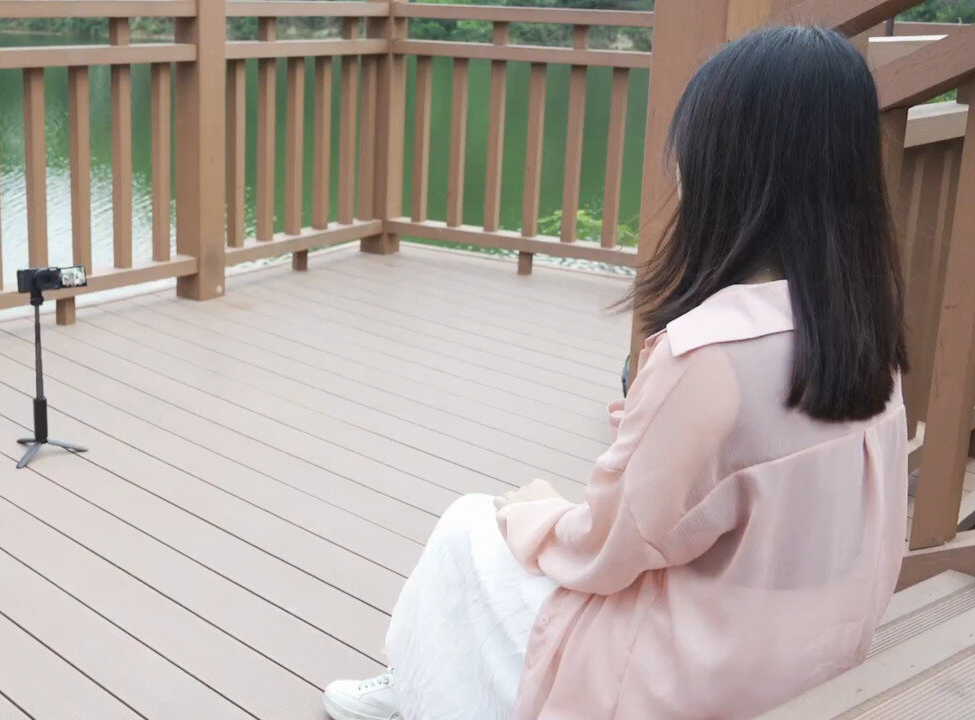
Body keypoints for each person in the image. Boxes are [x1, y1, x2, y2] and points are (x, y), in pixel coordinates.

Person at [323, 24, 910, 720]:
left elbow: (607, 550)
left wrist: (538, 511)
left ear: (733, 168)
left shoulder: (707, 355)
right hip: (809, 658)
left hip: (689, 680)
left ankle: (412, 686)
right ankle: (414, 681)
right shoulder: (863, 329)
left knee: (470, 524)